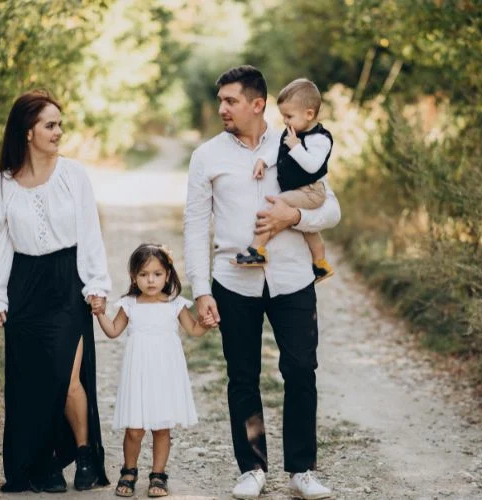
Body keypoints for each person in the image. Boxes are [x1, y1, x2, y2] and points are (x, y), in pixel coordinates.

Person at [184, 65, 339, 499]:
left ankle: (302, 470)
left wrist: (295, 216)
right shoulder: (206, 156)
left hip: (292, 279)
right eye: (220, 101)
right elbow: (196, 226)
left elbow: (331, 209)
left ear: (258, 104)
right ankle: (252, 468)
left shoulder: (296, 142)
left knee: (301, 370)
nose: (222, 109)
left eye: (230, 101)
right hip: (233, 281)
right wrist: (200, 289)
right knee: (242, 376)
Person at [0, 90, 111, 493]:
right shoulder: (2, 184)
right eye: (50, 125)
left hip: (66, 281)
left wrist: (97, 284)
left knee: (67, 376)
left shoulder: (73, 174)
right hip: (25, 284)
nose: (59, 132)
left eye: (59, 124)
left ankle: (84, 454)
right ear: (27, 132)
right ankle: (42, 464)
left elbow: (90, 232)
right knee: (31, 381)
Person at [91, 243, 209, 498]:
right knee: (134, 428)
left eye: (157, 274)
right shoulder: (129, 304)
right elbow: (112, 331)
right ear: (134, 277)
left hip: (165, 372)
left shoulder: (175, 304)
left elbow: (195, 330)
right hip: (138, 371)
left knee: (161, 427)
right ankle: (129, 470)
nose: (151, 280)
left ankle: (158, 474)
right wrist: (99, 313)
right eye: (144, 275)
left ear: (167, 274)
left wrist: (207, 323)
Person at [233, 78, 335, 284]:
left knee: (275, 205)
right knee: (307, 230)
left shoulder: (320, 139)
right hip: (302, 189)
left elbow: (314, 166)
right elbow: (278, 150)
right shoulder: (293, 133)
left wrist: (296, 146)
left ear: (309, 114)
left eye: (289, 116)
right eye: (283, 116)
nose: (285, 121)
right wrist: (264, 160)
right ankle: (321, 263)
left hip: (311, 191)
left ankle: (256, 250)